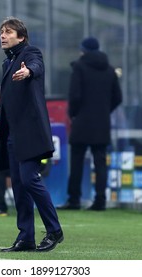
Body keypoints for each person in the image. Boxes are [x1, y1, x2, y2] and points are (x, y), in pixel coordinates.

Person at [0, 17, 63, 253]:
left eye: (8, 32)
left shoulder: (30, 53)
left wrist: (29, 71)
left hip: (30, 132)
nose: (3, 35)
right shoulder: (7, 63)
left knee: (29, 179)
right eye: (1, 32)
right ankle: (26, 237)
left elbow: (37, 66)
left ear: (21, 37)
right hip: (12, 133)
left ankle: (54, 230)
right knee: (19, 185)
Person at [57, 37, 122, 211]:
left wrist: (74, 114)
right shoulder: (109, 70)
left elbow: (75, 95)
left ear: (83, 50)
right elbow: (118, 97)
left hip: (82, 121)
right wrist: (104, 111)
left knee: (77, 160)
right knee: (100, 161)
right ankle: (100, 200)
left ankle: (74, 200)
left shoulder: (79, 67)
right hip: (102, 122)